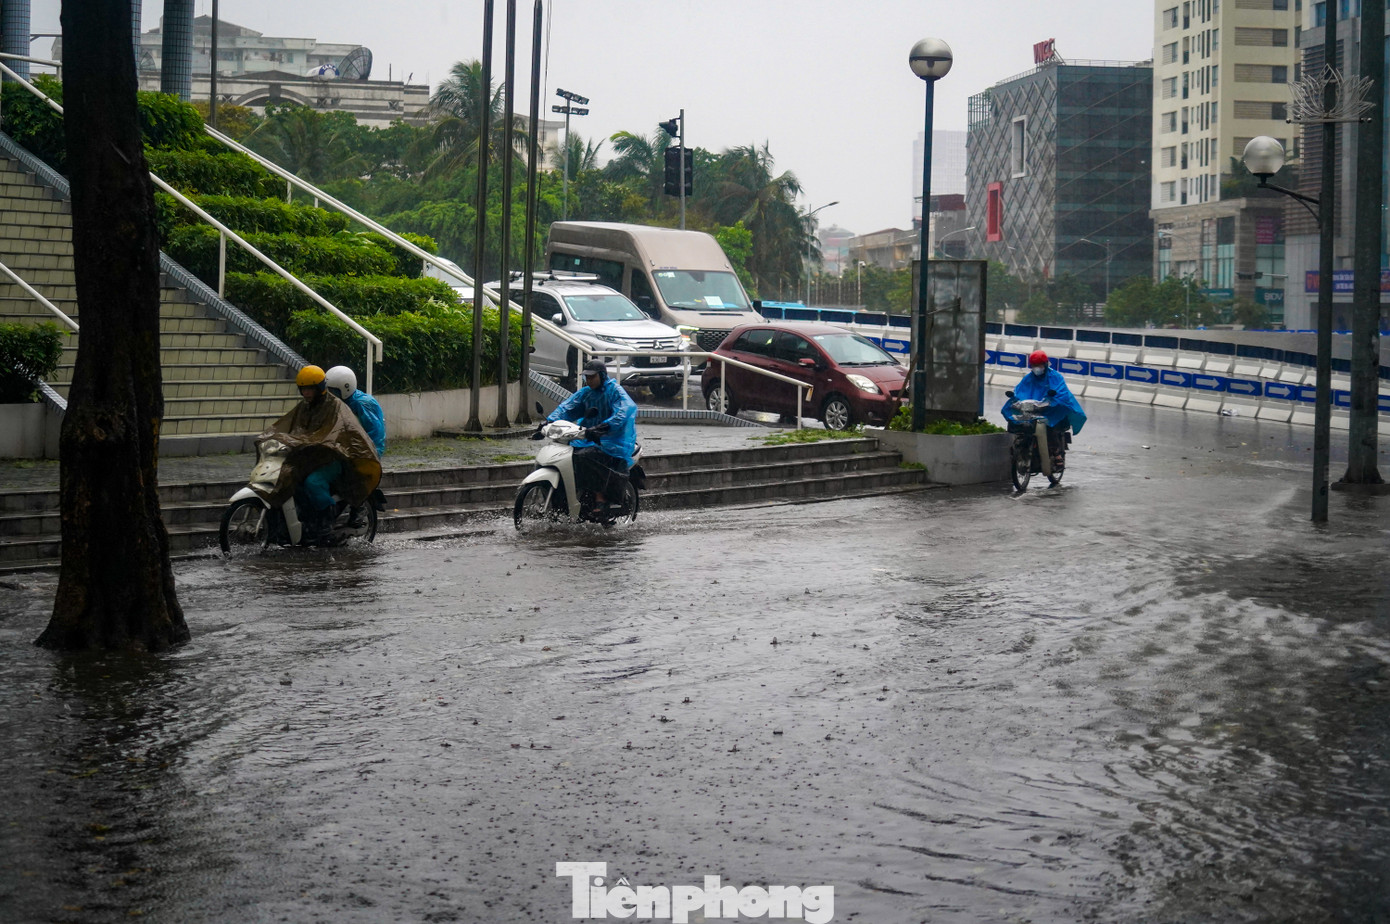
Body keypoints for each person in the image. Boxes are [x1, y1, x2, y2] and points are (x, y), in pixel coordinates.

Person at [259, 365, 381, 544]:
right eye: (303, 389)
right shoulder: (305, 406)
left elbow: (340, 433)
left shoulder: (337, 406)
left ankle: (325, 524)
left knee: (314, 482)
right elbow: (291, 425)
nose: (307, 393)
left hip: (336, 456)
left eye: (310, 389)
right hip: (312, 456)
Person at [541, 359, 638, 520]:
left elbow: (625, 409)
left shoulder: (615, 391)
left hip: (612, 440)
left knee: (585, 456)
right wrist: (549, 421)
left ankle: (600, 497)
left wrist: (606, 427)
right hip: (589, 436)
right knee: (568, 453)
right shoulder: (586, 392)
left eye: (592, 377)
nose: (589, 380)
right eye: (587, 377)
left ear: (602, 375)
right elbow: (567, 407)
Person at [1002, 350, 1087, 475]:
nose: (1037, 369)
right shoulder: (1028, 378)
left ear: (1045, 365)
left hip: (1052, 410)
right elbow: (1019, 391)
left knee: (1049, 426)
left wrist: (1050, 402)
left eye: (1039, 366)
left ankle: (1056, 454)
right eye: (1034, 366)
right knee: (1016, 422)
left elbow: (1061, 393)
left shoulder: (1055, 377)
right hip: (1033, 410)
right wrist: (1016, 400)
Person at [325, 365, 386, 458]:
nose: (330, 394)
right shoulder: (345, 402)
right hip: (351, 451)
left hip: (364, 453)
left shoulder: (362, 403)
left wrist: (371, 456)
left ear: (345, 388)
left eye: (333, 391)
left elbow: (375, 433)